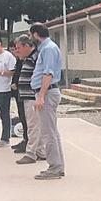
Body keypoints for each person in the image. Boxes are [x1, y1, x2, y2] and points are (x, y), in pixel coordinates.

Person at [29, 23, 65, 180]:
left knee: (47, 132)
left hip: (48, 92)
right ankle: (58, 165)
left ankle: (55, 167)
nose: (31, 38)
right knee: (52, 131)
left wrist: (41, 96)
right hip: (48, 91)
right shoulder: (46, 47)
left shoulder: (48, 48)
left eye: (31, 35)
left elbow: (48, 73)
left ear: (36, 34)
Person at [14, 35, 46, 165]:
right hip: (28, 97)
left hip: (33, 97)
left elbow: (41, 76)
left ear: (27, 46)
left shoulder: (35, 57)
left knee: (33, 126)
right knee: (34, 125)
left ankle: (31, 153)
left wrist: (39, 95)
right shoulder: (29, 57)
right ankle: (39, 151)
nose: (17, 51)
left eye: (19, 48)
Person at [9, 41, 28, 154]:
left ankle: (28, 141)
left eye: (16, 49)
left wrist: (17, 84)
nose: (14, 52)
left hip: (23, 92)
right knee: (21, 116)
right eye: (12, 50)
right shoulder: (18, 60)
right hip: (17, 93)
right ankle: (25, 139)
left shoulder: (24, 60)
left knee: (26, 118)